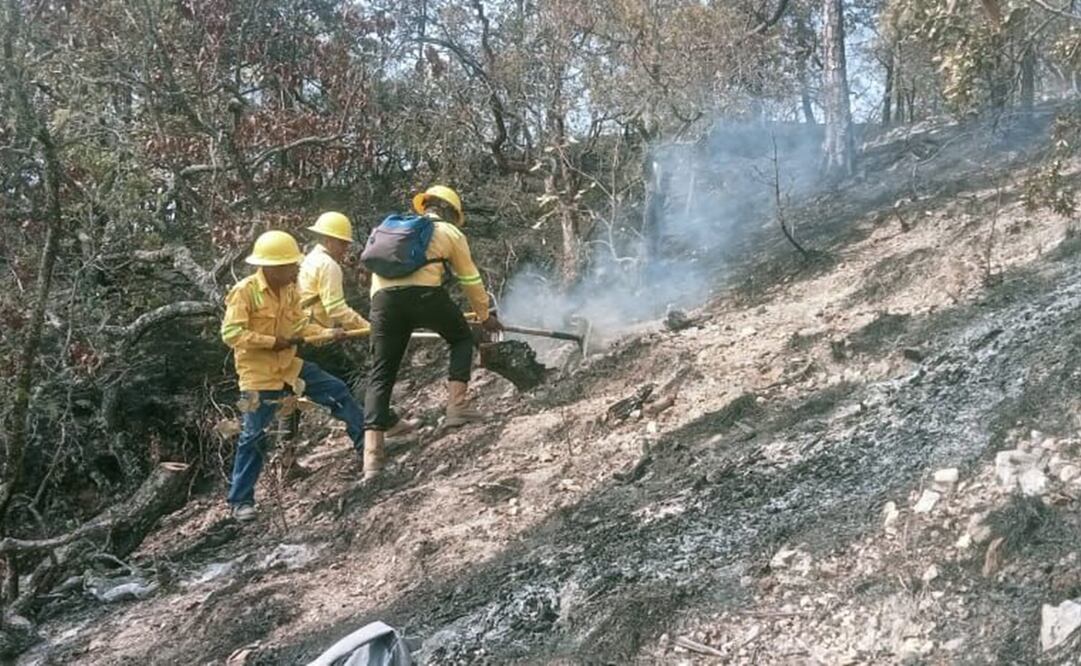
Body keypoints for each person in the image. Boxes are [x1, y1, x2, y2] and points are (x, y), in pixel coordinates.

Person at [361, 185, 502, 479]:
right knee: (461, 337)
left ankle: (372, 457)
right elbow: (470, 278)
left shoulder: (393, 230)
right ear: (450, 212)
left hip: (383, 303)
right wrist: (484, 315)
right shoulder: (450, 233)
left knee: (381, 371)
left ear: (424, 206)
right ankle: (457, 409)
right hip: (425, 297)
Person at [220, 230, 361, 522]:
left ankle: (367, 444)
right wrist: (272, 342)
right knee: (252, 435)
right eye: (288, 265)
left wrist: (327, 333)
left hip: (289, 367)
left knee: (337, 390)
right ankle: (240, 501)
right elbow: (231, 333)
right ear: (270, 267)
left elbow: (301, 327)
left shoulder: (290, 291)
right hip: (255, 378)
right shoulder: (244, 292)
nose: (294, 269)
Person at [298, 211, 415, 438]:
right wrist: (366, 327)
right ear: (329, 240)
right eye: (342, 243)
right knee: (354, 382)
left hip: (306, 335)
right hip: (320, 338)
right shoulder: (328, 265)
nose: (345, 250)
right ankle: (386, 424)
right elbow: (335, 308)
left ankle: (287, 460)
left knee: (292, 399)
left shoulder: (309, 261)